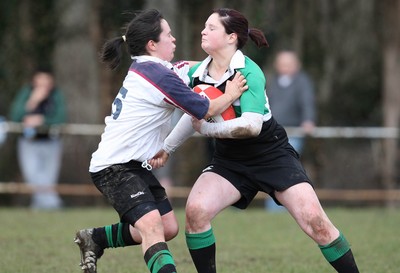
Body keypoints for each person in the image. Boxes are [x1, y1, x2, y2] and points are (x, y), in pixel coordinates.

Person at [150, 8, 359, 273]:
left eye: (211, 28)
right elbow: (194, 116)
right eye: (204, 26)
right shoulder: (197, 75)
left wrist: (207, 130)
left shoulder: (249, 72)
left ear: (231, 37)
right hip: (230, 159)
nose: (203, 31)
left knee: (317, 223)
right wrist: (167, 148)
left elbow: (251, 126)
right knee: (196, 211)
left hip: (271, 154)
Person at [73, 9, 247, 273]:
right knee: (152, 226)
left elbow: (189, 67)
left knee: (168, 228)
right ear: (152, 44)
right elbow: (205, 110)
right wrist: (231, 91)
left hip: (132, 165)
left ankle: (95, 239)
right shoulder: (158, 77)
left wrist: (221, 61)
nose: (174, 39)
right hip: (113, 167)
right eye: (168, 35)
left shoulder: (151, 68)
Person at [9, 68, 66, 210]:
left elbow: (61, 118)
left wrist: (43, 120)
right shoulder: (27, 93)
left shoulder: (55, 95)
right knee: (33, 176)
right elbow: (15, 116)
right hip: (29, 142)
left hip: (51, 142)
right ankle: (54, 205)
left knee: (48, 178)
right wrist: (33, 101)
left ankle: (39, 207)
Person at [267, 49, 316, 154]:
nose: (285, 67)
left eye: (288, 64)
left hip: (293, 131)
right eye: (282, 64)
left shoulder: (302, 82)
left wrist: (308, 119)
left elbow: (307, 102)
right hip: (273, 131)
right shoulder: (271, 81)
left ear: (297, 65)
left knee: (287, 158)